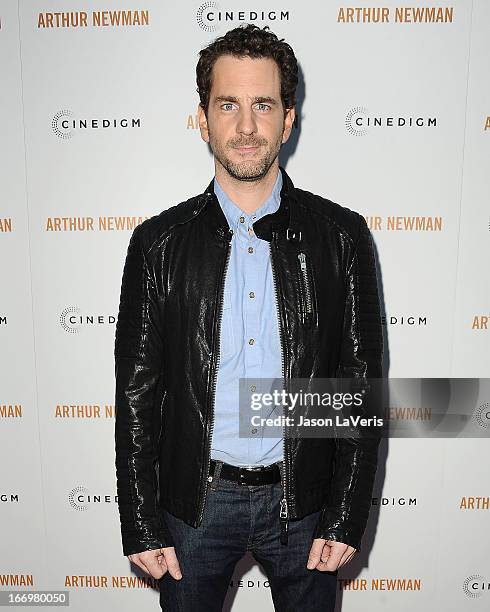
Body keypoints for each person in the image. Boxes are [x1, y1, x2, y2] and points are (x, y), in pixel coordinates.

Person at [114, 23, 383, 612]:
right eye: (227, 104)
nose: (245, 126)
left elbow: (359, 384)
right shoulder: (157, 244)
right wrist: (141, 518)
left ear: (288, 119)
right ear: (202, 117)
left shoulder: (341, 236)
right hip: (194, 505)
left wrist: (345, 513)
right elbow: (137, 392)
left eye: (263, 105)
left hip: (306, 500)